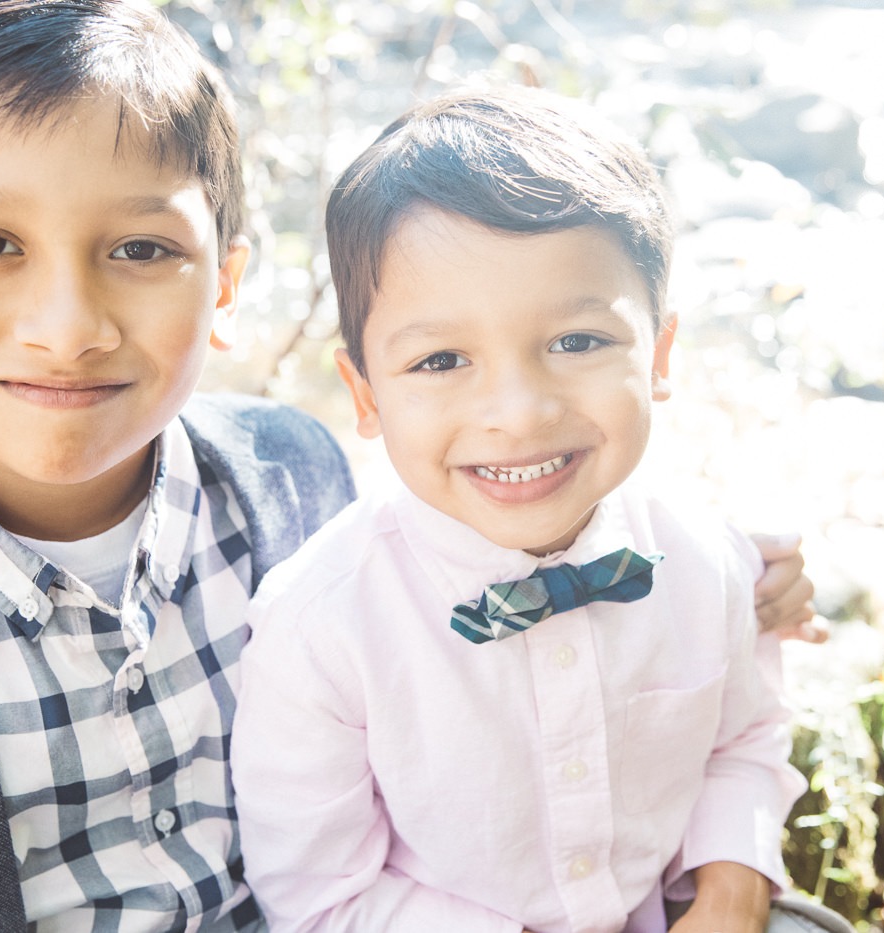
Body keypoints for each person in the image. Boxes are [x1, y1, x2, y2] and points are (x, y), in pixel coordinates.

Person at [0, 3, 816, 931]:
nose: (65, 325)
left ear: (226, 285)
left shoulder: (299, 471)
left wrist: (736, 566)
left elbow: (490, 509)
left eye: (142, 249)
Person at [230, 87, 851, 933]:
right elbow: (323, 895)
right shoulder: (321, 627)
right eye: (443, 359)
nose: (519, 412)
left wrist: (731, 887)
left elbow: (743, 742)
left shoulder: (706, 558)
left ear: (660, 355)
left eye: (578, 342)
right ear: (364, 394)